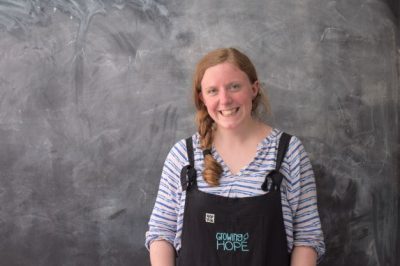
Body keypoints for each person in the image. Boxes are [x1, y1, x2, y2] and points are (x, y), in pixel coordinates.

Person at [145, 47, 325, 265]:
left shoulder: (289, 153)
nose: (225, 100)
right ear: (202, 97)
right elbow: (161, 234)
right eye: (213, 91)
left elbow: (307, 238)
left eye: (234, 87)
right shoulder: (183, 156)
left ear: (254, 88)